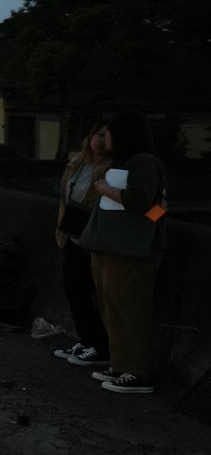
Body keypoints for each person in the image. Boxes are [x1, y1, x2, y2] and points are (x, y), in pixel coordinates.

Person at [82, 111, 168, 395]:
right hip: (111, 246)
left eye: (110, 134)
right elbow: (158, 208)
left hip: (130, 250)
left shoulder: (144, 162)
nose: (105, 139)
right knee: (113, 309)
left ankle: (138, 371)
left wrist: (105, 189)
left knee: (130, 310)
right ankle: (121, 365)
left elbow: (141, 202)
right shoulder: (124, 162)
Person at [51, 120, 112, 367]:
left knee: (95, 294)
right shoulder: (78, 163)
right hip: (72, 235)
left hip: (96, 240)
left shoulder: (113, 169)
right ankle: (88, 341)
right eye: (98, 133)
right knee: (74, 290)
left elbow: (154, 208)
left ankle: (101, 347)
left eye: (108, 136)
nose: (101, 140)